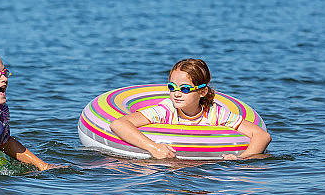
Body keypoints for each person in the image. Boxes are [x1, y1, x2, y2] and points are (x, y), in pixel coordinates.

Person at [109, 58, 271, 160]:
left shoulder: (215, 113)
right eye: (172, 87)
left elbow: (262, 136)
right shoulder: (166, 110)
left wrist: (241, 159)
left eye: (185, 89)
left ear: (202, 91)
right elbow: (119, 124)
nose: (177, 94)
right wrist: (154, 147)